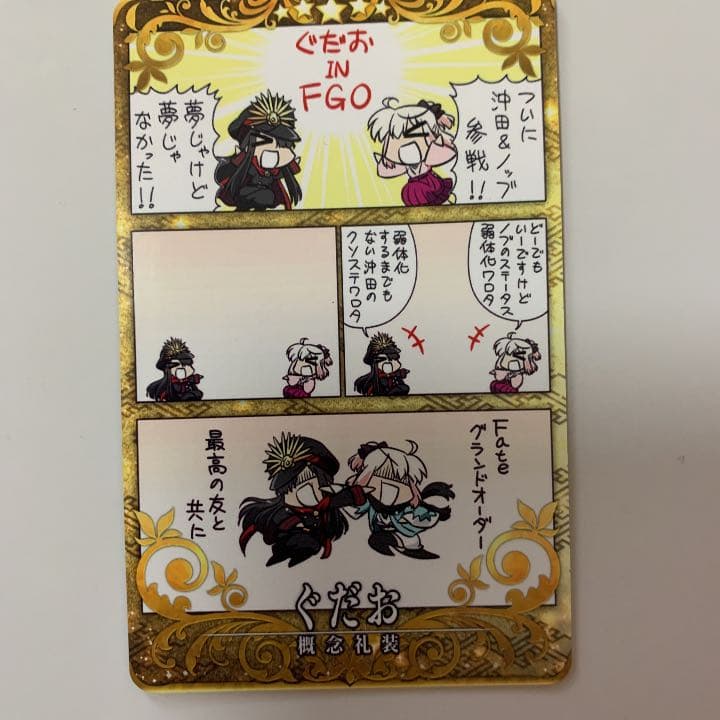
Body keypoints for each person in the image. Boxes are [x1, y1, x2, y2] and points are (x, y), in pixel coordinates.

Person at [238, 433, 366, 567]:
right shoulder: (282, 519)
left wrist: (350, 496)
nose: (307, 489)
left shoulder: (327, 509)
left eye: (313, 482)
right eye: (296, 485)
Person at [346, 441, 454, 559]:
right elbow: (354, 507)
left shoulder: (407, 508)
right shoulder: (372, 501)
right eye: (361, 473)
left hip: (405, 537)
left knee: (397, 538)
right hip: (383, 536)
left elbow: (423, 518)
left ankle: (401, 542)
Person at [215, 91, 302, 210]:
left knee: (267, 196)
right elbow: (223, 176)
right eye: (266, 140)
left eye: (281, 144)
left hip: (268, 203)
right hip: (241, 198)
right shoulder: (241, 164)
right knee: (263, 196)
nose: (274, 148)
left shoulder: (277, 170)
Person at [367, 97, 457, 206]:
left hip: (431, 180)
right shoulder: (401, 158)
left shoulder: (429, 151)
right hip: (416, 186)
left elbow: (438, 144)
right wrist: (388, 160)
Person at [145, 337, 203, 401]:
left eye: (188, 365)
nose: (189, 370)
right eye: (182, 366)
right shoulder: (170, 385)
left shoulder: (190, 381)